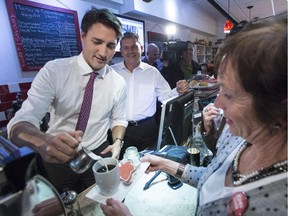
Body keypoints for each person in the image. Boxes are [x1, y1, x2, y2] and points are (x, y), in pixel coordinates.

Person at [100, 14, 287, 215]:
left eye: (230, 94)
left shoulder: (276, 203)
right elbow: (212, 175)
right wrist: (166, 164)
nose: (217, 103)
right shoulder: (234, 136)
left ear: (278, 104)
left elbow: (165, 96)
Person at [7, 7, 128, 194]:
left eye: (110, 46)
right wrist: (42, 141)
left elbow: (119, 119)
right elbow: (21, 122)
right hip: (57, 158)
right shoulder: (55, 71)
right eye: (97, 42)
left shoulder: (118, 82)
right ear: (83, 36)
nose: (103, 53)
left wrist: (118, 142)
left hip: (98, 155)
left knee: (99, 203)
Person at [112, 32, 188, 159]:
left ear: (141, 49)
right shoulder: (112, 72)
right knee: (122, 167)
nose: (130, 51)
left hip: (147, 129)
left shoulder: (152, 72)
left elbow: (164, 96)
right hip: (119, 130)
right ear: (121, 50)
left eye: (134, 47)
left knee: (147, 166)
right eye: (126, 48)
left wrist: (177, 91)